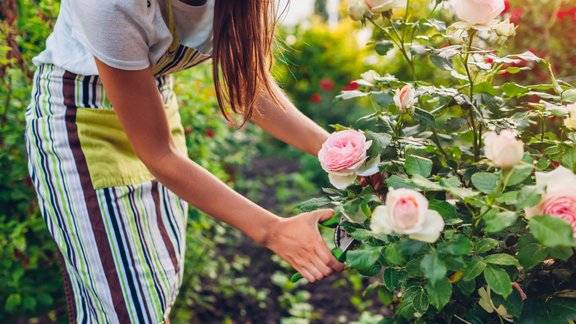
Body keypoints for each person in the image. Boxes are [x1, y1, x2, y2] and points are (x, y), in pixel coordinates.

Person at [25, 0, 345, 322]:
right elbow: (158, 153)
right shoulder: (110, 4)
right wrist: (273, 230)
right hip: (80, 124)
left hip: (155, 109)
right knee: (130, 308)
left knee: (157, 287)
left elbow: (250, 91)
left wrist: (342, 154)